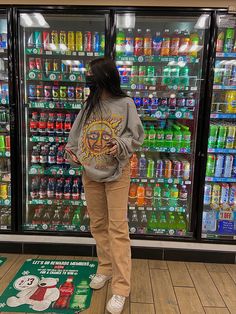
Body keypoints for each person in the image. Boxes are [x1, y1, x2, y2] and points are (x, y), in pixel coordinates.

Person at [65, 57, 144, 314]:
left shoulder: (126, 104)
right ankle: (105, 269)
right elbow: (75, 137)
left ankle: (121, 288)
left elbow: (136, 136)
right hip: (90, 174)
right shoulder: (89, 105)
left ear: (104, 76)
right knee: (98, 224)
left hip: (117, 174)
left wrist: (120, 145)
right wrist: (72, 152)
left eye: (91, 74)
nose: (88, 78)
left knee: (118, 229)